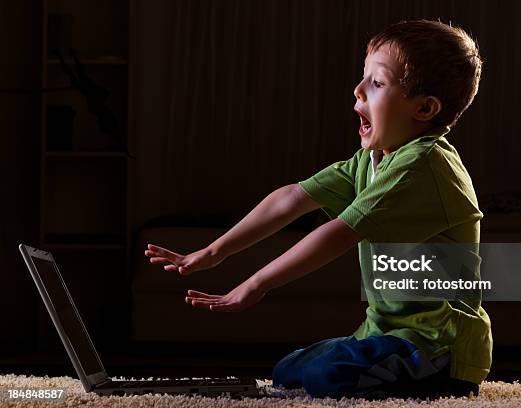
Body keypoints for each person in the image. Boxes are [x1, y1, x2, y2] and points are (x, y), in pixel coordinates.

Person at [145, 19, 491, 399]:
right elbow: (293, 197)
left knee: (327, 377)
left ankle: (432, 380)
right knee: (288, 371)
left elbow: (337, 234)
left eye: (376, 84)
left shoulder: (423, 166)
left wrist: (255, 284)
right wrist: (215, 252)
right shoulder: (373, 160)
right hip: (384, 333)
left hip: (436, 345)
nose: (357, 91)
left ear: (424, 108)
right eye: (363, 79)